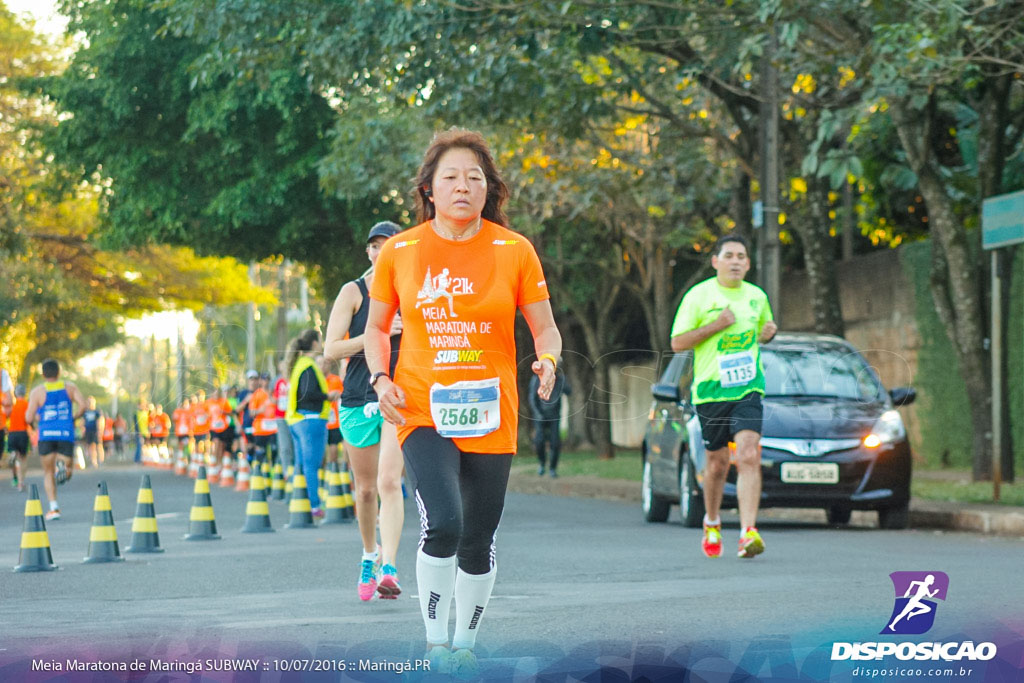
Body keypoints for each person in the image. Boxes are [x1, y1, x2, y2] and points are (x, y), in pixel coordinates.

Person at [364, 129, 561, 675]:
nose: (463, 186)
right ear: (429, 188)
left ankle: (465, 644)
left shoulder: (514, 249)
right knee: (445, 522)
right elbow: (378, 327)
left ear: (488, 188)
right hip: (421, 407)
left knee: (479, 534)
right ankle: (434, 644)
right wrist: (381, 379)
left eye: (475, 177)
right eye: (450, 176)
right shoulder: (401, 251)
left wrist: (549, 360)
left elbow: (545, 328)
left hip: (492, 411)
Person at [669, 233, 777, 559]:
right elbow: (678, 342)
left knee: (747, 454)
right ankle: (712, 521)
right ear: (716, 261)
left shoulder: (757, 296)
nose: (735, 261)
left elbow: (763, 330)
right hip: (710, 391)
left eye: (741, 256)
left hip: (748, 388)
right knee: (717, 465)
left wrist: (769, 334)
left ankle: (748, 532)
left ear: (748, 263)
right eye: (729, 255)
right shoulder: (698, 296)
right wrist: (716, 325)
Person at [324, 220, 406, 602]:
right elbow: (331, 350)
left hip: (397, 396)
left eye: (386, 244)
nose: (379, 250)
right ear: (368, 252)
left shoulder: (411, 290)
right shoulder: (353, 292)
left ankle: (389, 567)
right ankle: (368, 556)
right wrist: (377, 334)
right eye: (374, 245)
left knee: (390, 481)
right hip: (358, 397)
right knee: (366, 490)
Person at [284, 329, 340, 518]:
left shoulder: (300, 364)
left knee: (302, 463)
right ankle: (314, 504)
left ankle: (300, 500)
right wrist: (327, 396)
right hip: (310, 420)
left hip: (298, 420)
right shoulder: (308, 366)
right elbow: (307, 394)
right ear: (315, 344)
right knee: (311, 464)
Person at [25, 359, 86, 520]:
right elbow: (83, 405)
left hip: (46, 434)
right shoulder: (70, 387)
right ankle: (64, 469)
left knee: (48, 472)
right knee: (68, 471)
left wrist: (37, 421)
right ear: (59, 373)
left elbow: (28, 416)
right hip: (65, 433)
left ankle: (54, 508)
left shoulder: (37, 392)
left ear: (43, 374)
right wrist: (74, 417)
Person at [528, 369, 569, 478]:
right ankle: (542, 463)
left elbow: (569, 391)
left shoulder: (559, 379)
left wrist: (562, 379)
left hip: (554, 416)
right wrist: (538, 414)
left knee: (555, 443)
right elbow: (532, 398)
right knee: (539, 442)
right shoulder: (536, 379)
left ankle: (552, 468)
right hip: (540, 416)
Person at [316, 355, 345, 467]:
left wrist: (339, 395)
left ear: (329, 364)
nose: (322, 366)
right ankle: (322, 478)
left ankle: (334, 474)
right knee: (320, 453)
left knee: (333, 450)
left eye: (325, 363)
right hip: (319, 420)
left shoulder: (336, 380)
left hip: (334, 421)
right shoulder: (315, 381)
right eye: (319, 363)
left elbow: (343, 394)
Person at [7, 385, 31, 491]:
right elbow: (29, 419)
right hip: (22, 433)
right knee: (23, 459)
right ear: (24, 393)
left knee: (14, 453)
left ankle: (13, 454)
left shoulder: (12, 406)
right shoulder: (27, 405)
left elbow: (6, 415)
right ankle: (21, 484)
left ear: (15, 394)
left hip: (12, 433)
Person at [82, 397, 103, 468]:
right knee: (90, 446)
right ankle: (93, 461)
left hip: (95, 431)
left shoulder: (97, 412)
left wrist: (99, 430)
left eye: (90, 402)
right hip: (88, 431)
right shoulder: (85, 412)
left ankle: (100, 460)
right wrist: (83, 430)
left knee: (97, 445)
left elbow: (100, 421)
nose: (89, 403)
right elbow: (83, 422)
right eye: (88, 402)